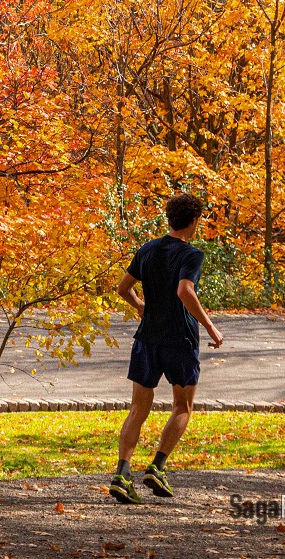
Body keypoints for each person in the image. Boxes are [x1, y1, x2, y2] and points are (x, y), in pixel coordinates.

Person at [109, 192, 224, 504]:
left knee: (138, 409)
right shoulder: (191, 254)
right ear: (194, 221)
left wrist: (141, 307)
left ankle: (121, 474)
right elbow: (185, 290)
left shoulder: (147, 249)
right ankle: (157, 466)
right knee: (183, 407)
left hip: (146, 340)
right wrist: (210, 326)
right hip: (180, 341)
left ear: (170, 219)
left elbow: (123, 289)